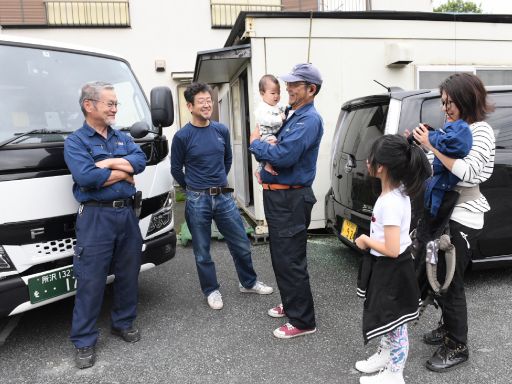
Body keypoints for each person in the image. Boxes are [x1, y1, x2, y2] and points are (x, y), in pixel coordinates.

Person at [412, 72, 495, 372]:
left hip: (462, 216)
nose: (446, 108)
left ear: (466, 100)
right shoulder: (453, 128)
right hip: (441, 215)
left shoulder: (481, 131)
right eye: (444, 102)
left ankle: (458, 345)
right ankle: (448, 328)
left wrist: (432, 146)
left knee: (450, 283)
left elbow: (469, 172)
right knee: (438, 276)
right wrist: (424, 145)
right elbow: (438, 166)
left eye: (450, 102)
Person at [64, 81, 147, 369]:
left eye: (115, 103)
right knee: (90, 279)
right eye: (109, 103)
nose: (114, 108)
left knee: (128, 272)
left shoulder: (121, 136)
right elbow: (86, 178)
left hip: (125, 215)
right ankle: (84, 340)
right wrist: (124, 174)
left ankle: (123, 323)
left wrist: (109, 162)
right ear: (90, 105)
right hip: (96, 217)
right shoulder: (75, 141)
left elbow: (141, 161)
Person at [170, 82, 273, 310]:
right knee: (202, 251)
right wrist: (194, 188)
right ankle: (211, 290)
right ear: (190, 106)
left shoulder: (221, 130)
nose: (207, 105)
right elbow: (176, 170)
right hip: (198, 200)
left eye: (209, 101)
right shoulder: (182, 137)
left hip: (224, 197)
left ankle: (248, 282)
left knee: (241, 243)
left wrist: (217, 181)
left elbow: (227, 159)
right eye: (201, 102)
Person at [249, 63, 323, 339]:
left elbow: (281, 155)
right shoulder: (294, 115)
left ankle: (303, 321)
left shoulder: (309, 120)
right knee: (282, 256)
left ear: (311, 89)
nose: (288, 89)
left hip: (290, 197)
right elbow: (271, 150)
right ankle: (292, 304)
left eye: (295, 84)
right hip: (280, 196)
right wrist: (263, 149)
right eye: (288, 84)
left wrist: (255, 143)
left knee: (290, 259)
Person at [354, 134, 431, 384]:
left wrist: (365, 240)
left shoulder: (389, 202)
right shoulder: (398, 192)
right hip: (393, 267)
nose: (367, 161)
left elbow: (391, 248)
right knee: (389, 317)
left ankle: (394, 373)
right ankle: (384, 356)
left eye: (371, 158)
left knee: (397, 324)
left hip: (392, 266)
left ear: (382, 166)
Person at [254, 74, 286, 181]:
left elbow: (283, 110)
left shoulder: (275, 106)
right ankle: (268, 165)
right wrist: (279, 118)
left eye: (278, 93)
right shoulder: (261, 108)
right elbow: (266, 120)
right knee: (273, 145)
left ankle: (258, 171)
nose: (276, 96)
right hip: (265, 135)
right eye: (272, 93)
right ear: (262, 93)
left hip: (273, 133)